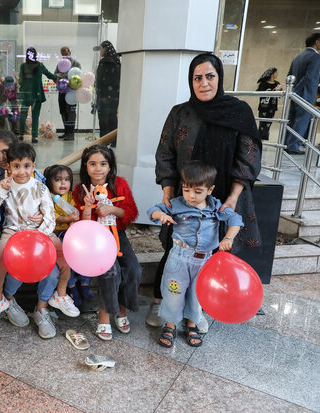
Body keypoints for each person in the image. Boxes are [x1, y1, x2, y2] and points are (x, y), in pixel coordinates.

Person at [148, 53, 262, 330]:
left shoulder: (239, 111)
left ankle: (200, 306)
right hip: (187, 197)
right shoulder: (181, 113)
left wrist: (232, 198)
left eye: (210, 76)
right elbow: (165, 154)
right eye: (197, 77)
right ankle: (164, 303)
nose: (204, 83)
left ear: (219, 77)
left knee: (216, 250)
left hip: (225, 196)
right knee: (178, 247)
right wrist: (167, 191)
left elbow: (248, 157)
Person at [148, 161, 243, 348]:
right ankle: (170, 325)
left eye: (198, 191)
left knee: (197, 295)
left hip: (204, 261)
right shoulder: (176, 204)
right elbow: (153, 211)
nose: (191, 196)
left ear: (210, 189)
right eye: (186, 190)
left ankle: (192, 324)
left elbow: (235, 219)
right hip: (178, 259)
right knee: (173, 293)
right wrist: (162, 216)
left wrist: (228, 238)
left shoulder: (216, 207)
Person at [0, 143, 76, 339]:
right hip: (13, 231)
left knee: (64, 256)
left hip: (39, 233)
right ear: (8, 167)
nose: (21, 171)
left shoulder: (40, 187)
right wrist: (1, 190)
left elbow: (50, 216)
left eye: (26, 166)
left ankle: (60, 295)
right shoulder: (4, 186)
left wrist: (40, 235)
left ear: (33, 166)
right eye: (16, 166)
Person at [73, 145, 141, 339]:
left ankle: (121, 310)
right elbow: (82, 226)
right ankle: (104, 316)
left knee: (133, 269)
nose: (98, 168)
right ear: (85, 167)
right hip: (95, 240)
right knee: (111, 271)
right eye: (92, 164)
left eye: (103, 164)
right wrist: (88, 207)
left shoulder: (119, 184)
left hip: (117, 234)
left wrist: (112, 210)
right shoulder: (81, 190)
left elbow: (130, 212)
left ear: (110, 167)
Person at [43, 164, 90, 306]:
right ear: (49, 182)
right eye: (58, 179)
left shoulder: (72, 196)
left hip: (73, 232)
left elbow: (77, 210)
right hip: (56, 234)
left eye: (67, 179)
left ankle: (85, 282)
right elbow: (54, 216)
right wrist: (68, 219)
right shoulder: (49, 199)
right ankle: (71, 287)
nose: (63, 183)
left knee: (84, 252)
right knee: (66, 257)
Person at [284, 33, 320, 154]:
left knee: (292, 120)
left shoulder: (298, 57)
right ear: (317, 42)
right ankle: (293, 146)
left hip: (294, 95)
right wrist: (298, 91)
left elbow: (289, 75)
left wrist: (293, 91)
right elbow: (309, 77)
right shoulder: (316, 57)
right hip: (305, 94)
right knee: (302, 120)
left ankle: (286, 144)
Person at [18, 47, 57, 144]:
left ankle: (21, 135)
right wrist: (57, 77)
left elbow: (20, 80)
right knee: (35, 116)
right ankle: (34, 137)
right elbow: (49, 74)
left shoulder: (23, 66)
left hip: (26, 94)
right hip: (37, 94)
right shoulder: (40, 65)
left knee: (23, 115)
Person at [94, 41, 121, 139]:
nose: (100, 51)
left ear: (105, 49)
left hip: (104, 95)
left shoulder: (104, 62)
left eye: (102, 49)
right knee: (113, 117)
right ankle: (113, 139)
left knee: (103, 118)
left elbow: (100, 80)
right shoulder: (117, 61)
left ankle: (104, 139)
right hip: (115, 96)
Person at [54, 47, 81, 141]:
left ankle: (71, 133)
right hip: (62, 92)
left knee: (71, 113)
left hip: (72, 93)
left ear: (70, 52)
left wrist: (71, 82)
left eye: (66, 53)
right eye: (63, 53)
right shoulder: (60, 64)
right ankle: (66, 132)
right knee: (63, 112)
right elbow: (55, 76)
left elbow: (80, 78)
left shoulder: (76, 64)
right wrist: (56, 77)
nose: (65, 55)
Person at [256, 67, 282, 141]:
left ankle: (265, 137)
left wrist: (279, 91)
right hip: (264, 106)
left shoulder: (277, 84)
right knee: (262, 122)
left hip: (272, 106)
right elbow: (261, 94)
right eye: (276, 72)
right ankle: (259, 137)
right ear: (272, 74)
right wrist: (273, 91)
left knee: (269, 122)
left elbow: (279, 95)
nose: (277, 74)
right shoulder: (264, 84)